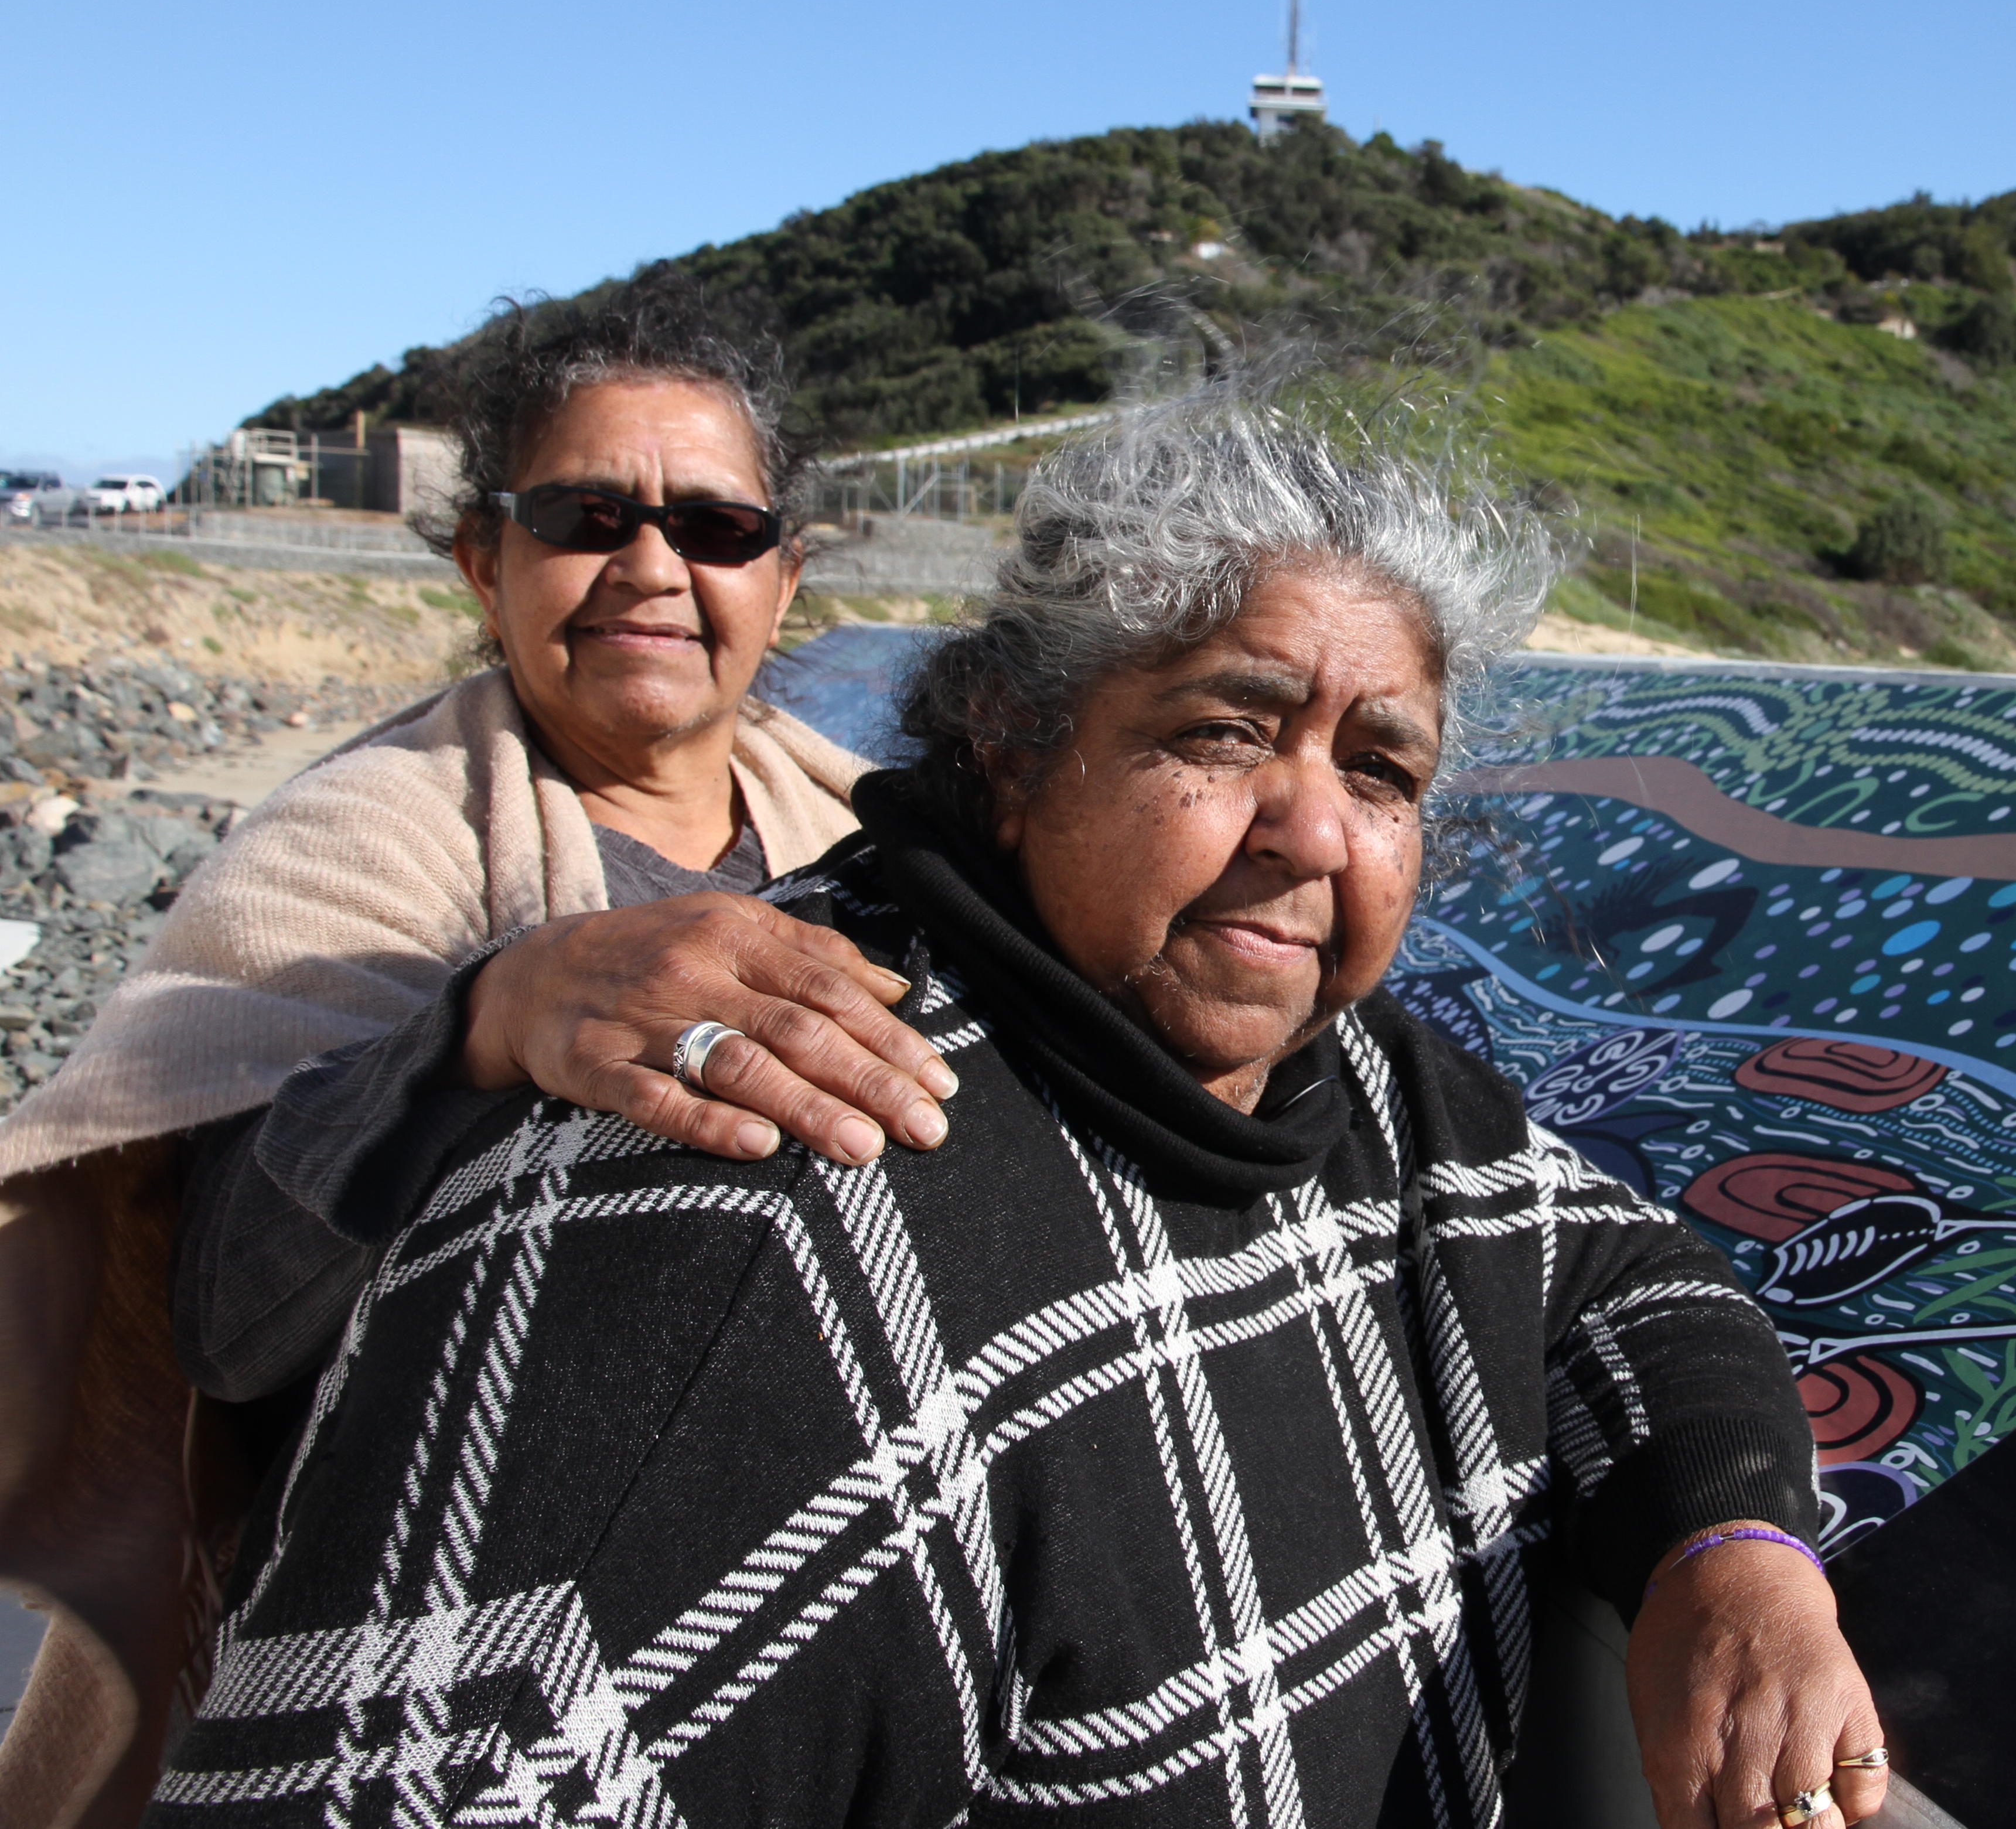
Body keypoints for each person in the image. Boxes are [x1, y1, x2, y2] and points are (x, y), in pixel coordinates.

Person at [151, 395, 1890, 1829]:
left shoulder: (1356, 1083)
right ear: (1012, 742)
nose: (1313, 831)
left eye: (1382, 770)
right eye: (1226, 731)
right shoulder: (763, 1205)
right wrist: (475, 1021)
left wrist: (1735, 1554)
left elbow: (1614, 1271)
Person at [0, 276, 956, 1825]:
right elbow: (217, 1320)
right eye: (586, 517)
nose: (652, 567)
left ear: (785, 581)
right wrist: (483, 1021)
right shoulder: (361, 843)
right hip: (421, 1673)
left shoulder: (868, 835)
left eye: (716, 528)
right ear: (481, 562)